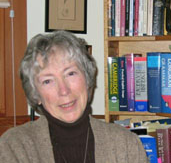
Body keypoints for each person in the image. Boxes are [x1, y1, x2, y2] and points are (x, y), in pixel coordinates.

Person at [0, 31, 148, 163]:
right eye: (48, 81)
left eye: (70, 73)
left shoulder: (126, 144)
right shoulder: (14, 147)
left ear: (87, 78)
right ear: (36, 94)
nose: (64, 90)